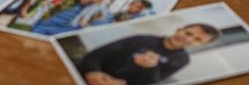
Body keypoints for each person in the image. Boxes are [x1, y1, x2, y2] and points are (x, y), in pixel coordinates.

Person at [76, 23, 220, 85]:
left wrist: (150, 68)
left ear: (201, 45)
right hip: (83, 75)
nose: (187, 39)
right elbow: (96, 55)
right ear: (179, 29)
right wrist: (93, 72)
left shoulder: (182, 60)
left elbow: (153, 82)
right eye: (188, 33)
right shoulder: (142, 38)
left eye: (197, 39)